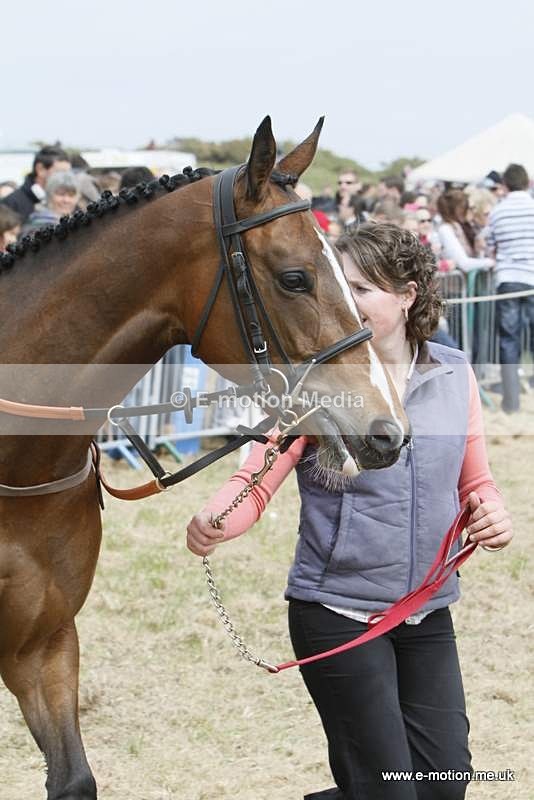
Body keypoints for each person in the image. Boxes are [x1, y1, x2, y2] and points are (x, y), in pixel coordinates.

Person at [186, 223, 512, 800]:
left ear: (408, 294)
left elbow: (477, 481)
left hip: (426, 612)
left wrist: (491, 514)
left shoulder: (454, 373)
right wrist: (216, 522)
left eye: (362, 288)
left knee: (446, 785)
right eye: (339, 286)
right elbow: (255, 480)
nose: (345, 301)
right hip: (336, 610)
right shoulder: (317, 382)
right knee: (387, 789)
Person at [486, 163, 534, 413]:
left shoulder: (498, 211)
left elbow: (490, 245)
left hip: (508, 279)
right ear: (527, 182)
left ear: (505, 184)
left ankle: (511, 403)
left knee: (508, 341)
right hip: (531, 279)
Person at [0, 145, 71, 223]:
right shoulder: (11, 204)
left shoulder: (70, 202)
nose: (65, 178)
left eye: (68, 173)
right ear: (40, 169)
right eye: (60, 173)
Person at [437, 189, 494, 272]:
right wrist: (492, 262)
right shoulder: (445, 229)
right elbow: (463, 263)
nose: (471, 211)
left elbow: (475, 260)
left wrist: (479, 250)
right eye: (466, 207)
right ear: (456, 209)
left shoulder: (464, 227)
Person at [22, 170, 80, 235]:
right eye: (61, 194)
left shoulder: (76, 221)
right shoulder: (39, 224)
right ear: (49, 195)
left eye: (71, 195)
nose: (66, 200)